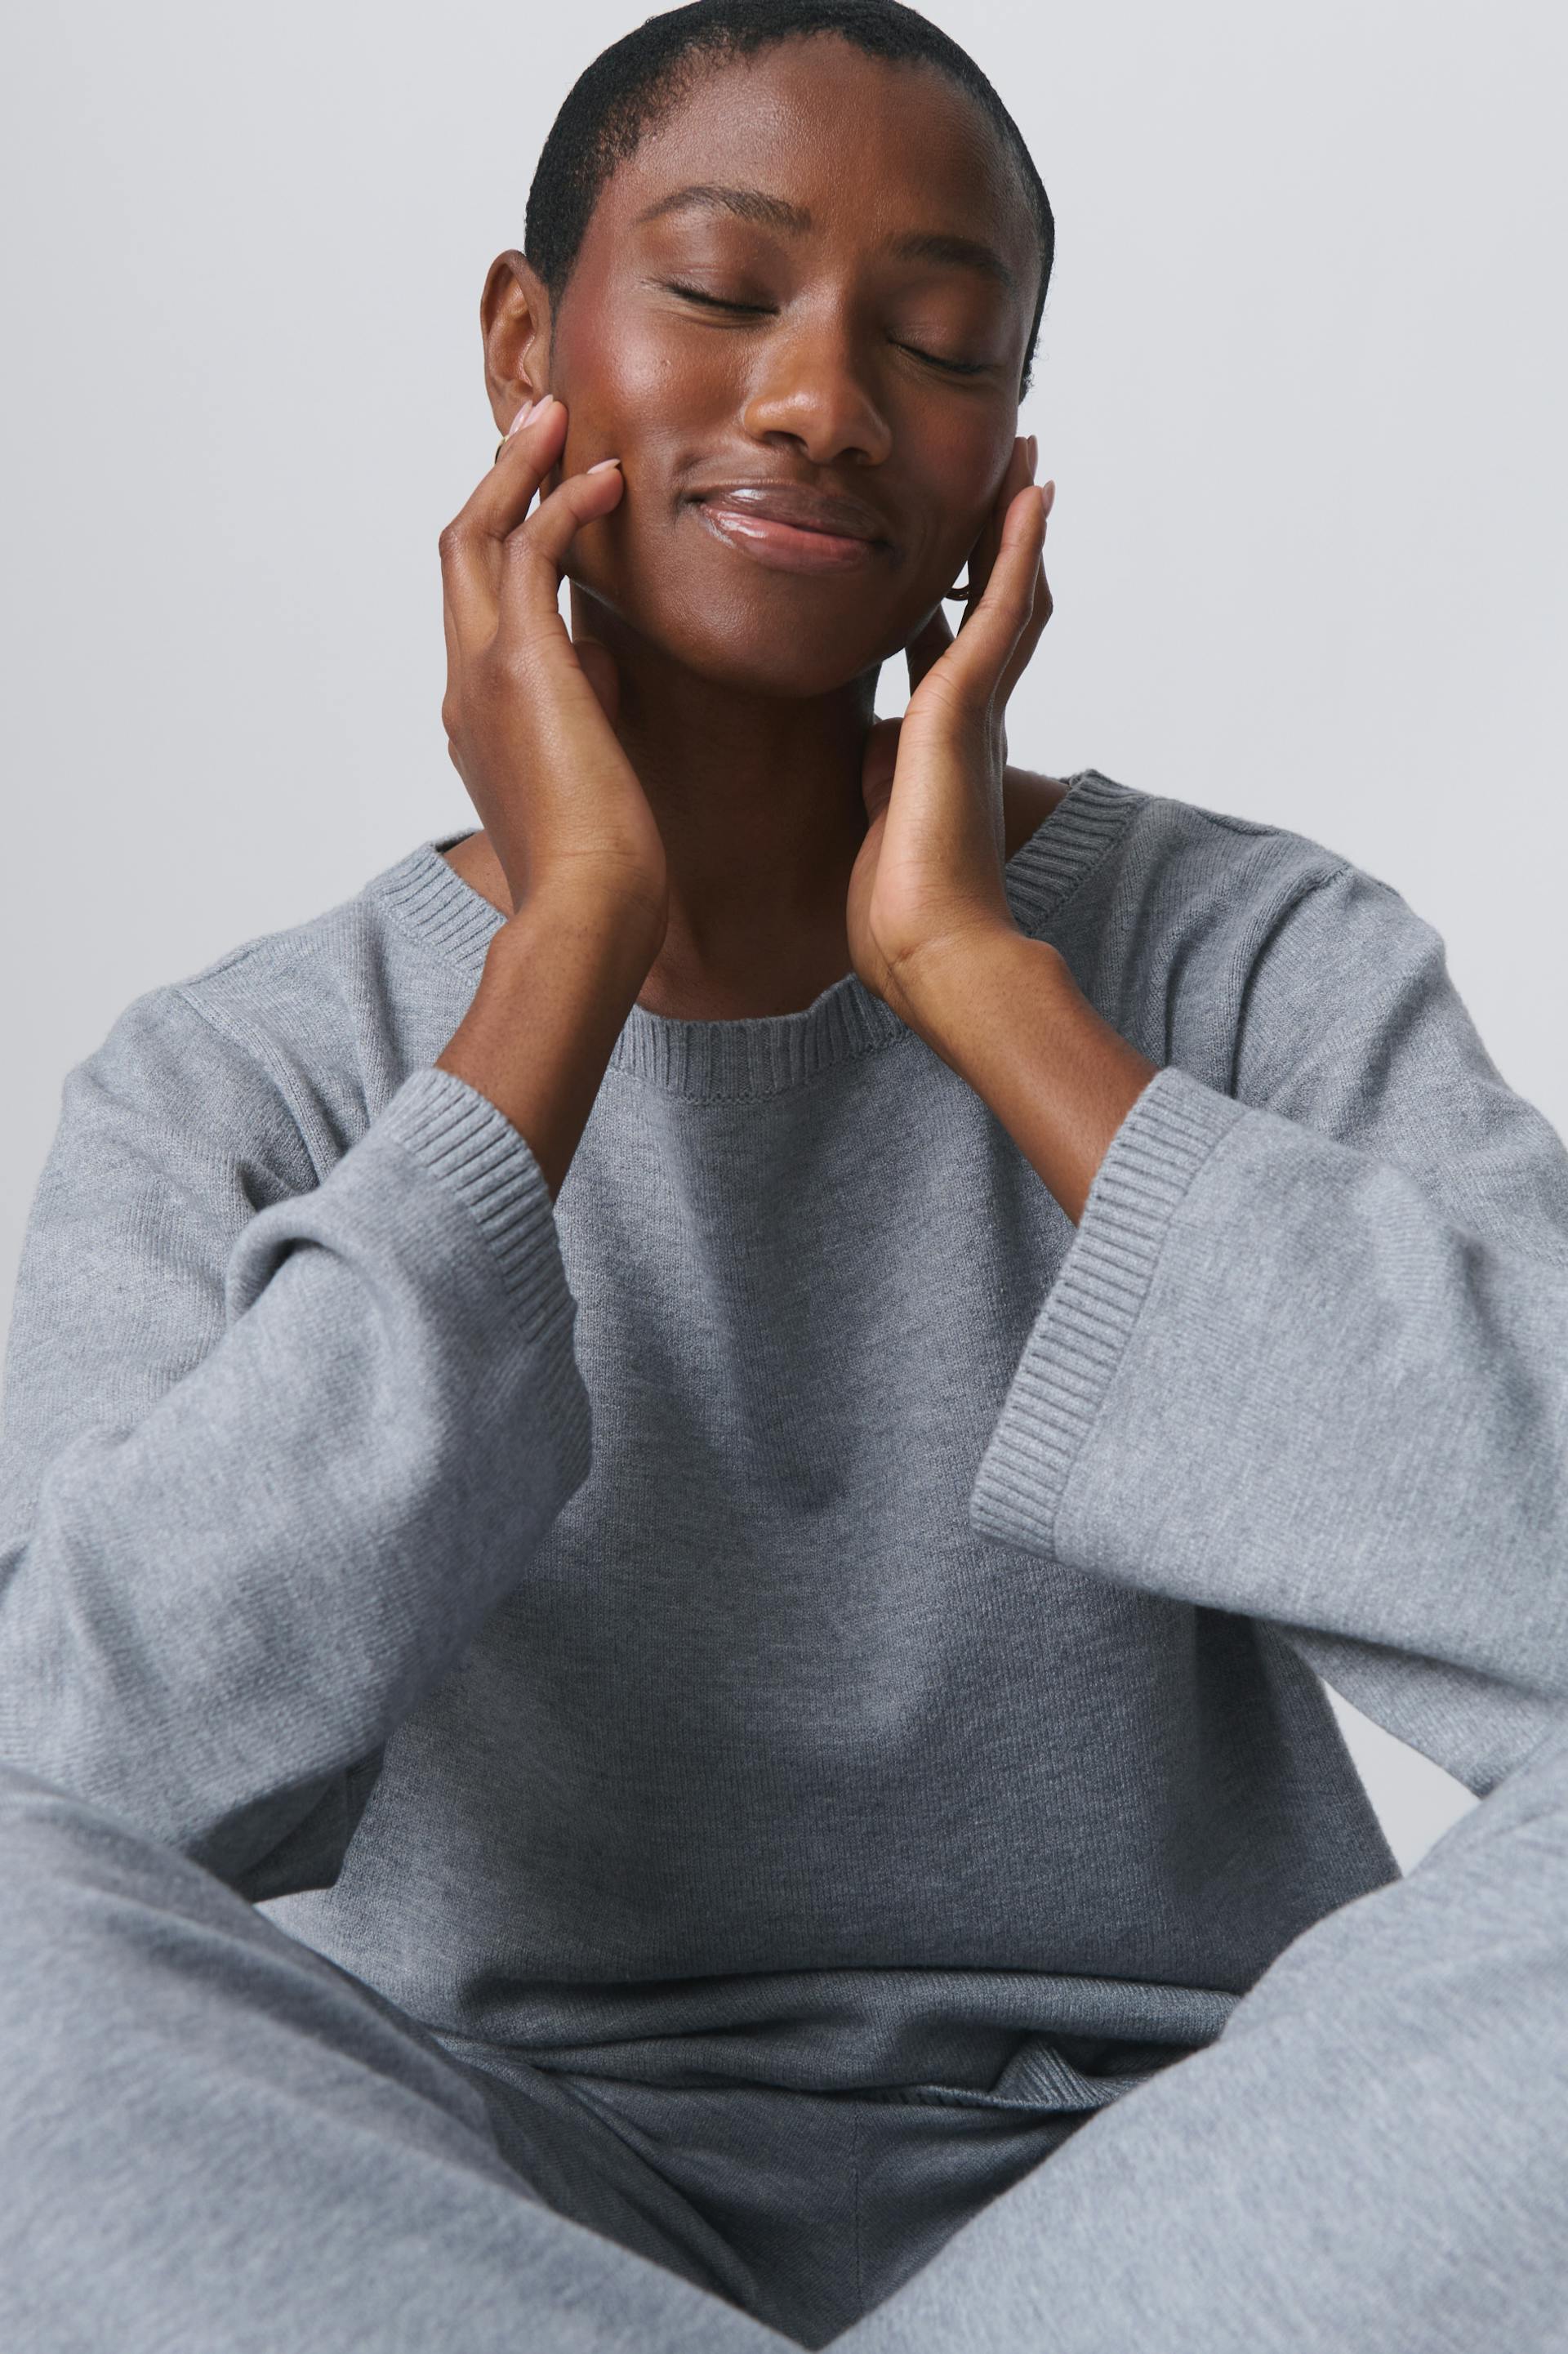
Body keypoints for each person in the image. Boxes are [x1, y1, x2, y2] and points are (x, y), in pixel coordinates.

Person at [1, 2, 1564, 2346]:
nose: (825, 400)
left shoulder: (1254, 962)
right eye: (726, 291)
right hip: (472, 2212)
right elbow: (74, 1780)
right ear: (526, 344)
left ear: (1004, 454)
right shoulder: (238, 1076)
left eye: (934, 345)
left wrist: (985, 983)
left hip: (1205, 2204)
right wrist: (559, 961)